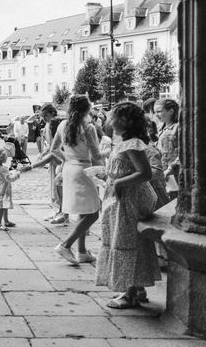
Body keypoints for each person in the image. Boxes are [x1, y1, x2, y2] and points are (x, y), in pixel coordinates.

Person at [96, 102, 161, 308]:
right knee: (130, 241)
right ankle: (136, 288)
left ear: (124, 121)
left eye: (113, 117)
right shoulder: (125, 142)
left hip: (130, 200)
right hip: (123, 198)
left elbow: (145, 173)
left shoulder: (133, 143)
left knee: (127, 242)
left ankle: (130, 293)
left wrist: (119, 182)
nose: (109, 121)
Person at [49, 95, 102, 265]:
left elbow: (53, 150)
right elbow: (96, 155)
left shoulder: (62, 125)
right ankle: (66, 245)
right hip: (83, 169)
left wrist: (68, 158)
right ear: (87, 109)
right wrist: (107, 156)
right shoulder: (88, 127)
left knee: (83, 210)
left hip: (69, 168)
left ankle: (82, 251)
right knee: (94, 211)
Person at [154, 98, 180, 200]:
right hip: (163, 172)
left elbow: (183, 152)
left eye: (159, 111)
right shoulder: (160, 127)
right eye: (155, 112)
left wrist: (170, 169)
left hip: (175, 173)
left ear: (171, 111)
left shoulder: (178, 127)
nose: (156, 114)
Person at [0, 147, 20, 230]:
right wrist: (18, 173)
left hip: (1, 188)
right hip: (3, 190)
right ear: (2, 158)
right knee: (2, 207)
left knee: (5, 205)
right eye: (5, 156)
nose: (7, 157)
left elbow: (6, 175)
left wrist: (12, 172)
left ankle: (6, 221)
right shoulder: (3, 169)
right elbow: (9, 178)